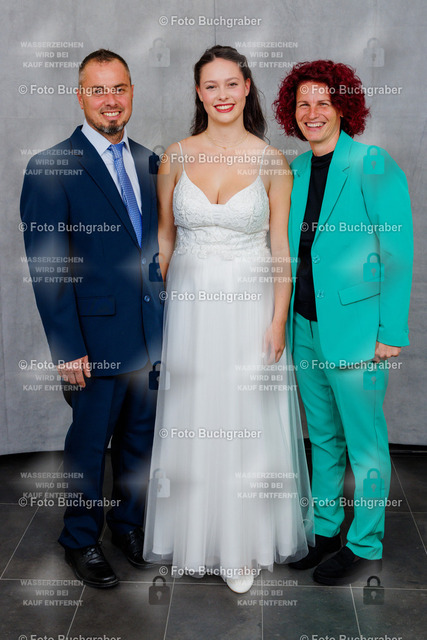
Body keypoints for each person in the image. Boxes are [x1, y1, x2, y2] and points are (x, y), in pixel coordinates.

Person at [142, 45, 314, 594]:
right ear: (199, 92)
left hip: (249, 307)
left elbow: (281, 250)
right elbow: (165, 239)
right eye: (210, 85)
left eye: (231, 84)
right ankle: (191, 537)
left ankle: (243, 547)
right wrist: (155, 312)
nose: (222, 95)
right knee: (193, 415)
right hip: (191, 310)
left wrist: (278, 320)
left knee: (247, 419)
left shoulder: (272, 162)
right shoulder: (174, 157)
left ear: (246, 88)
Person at [20, 49, 164, 588]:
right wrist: (67, 347)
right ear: (80, 96)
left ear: (132, 93)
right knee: (87, 445)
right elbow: (47, 266)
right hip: (92, 340)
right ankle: (80, 539)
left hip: (149, 337)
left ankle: (128, 526)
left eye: (119, 88)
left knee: (139, 442)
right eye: (98, 90)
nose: (110, 100)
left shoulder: (150, 162)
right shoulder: (51, 166)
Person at [274, 60, 413, 585]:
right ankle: (327, 529)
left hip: (358, 331)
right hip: (305, 326)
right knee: (324, 438)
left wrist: (390, 333)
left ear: (343, 108)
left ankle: (365, 541)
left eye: (323, 102)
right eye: (302, 104)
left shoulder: (372, 164)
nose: (311, 113)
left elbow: (397, 252)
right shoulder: (295, 170)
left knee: (365, 442)